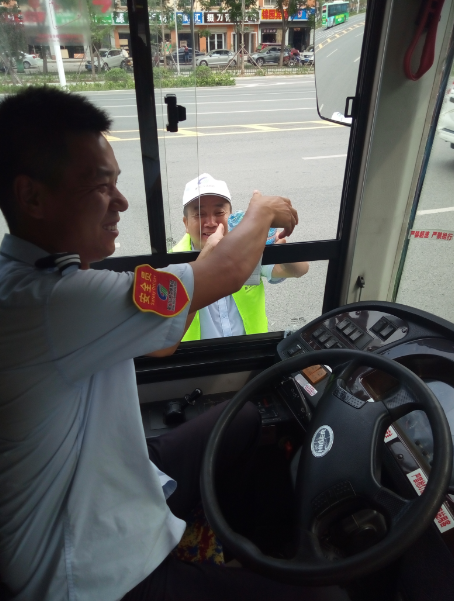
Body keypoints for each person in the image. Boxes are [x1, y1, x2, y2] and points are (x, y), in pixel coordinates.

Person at [0, 87, 348, 601]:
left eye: (117, 183)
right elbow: (225, 271)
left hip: (107, 475)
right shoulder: (54, 300)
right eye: (101, 186)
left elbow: (161, 344)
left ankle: (258, 551)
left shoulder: (40, 277)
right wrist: (261, 210)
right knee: (327, 599)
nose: (121, 202)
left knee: (243, 418)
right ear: (32, 197)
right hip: (87, 568)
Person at [173, 173, 309, 341]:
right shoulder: (172, 264)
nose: (211, 222)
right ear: (186, 223)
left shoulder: (245, 248)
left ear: (230, 215)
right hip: (198, 355)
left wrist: (281, 251)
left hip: (249, 351)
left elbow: (300, 269)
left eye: (219, 212)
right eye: (200, 214)